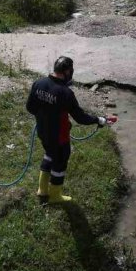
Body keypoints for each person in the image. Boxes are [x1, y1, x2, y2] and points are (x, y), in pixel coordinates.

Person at [25, 56, 117, 204]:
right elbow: (81, 118)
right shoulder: (65, 93)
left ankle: (42, 190)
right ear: (68, 71)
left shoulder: (39, 83)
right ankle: (55, 196)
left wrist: (45, 115)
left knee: (49, 155)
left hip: (43, 132)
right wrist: (100, 120)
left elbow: (30, 108)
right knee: (59, 164)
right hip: (59, 137)